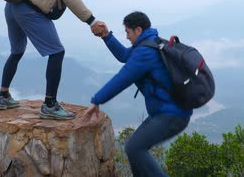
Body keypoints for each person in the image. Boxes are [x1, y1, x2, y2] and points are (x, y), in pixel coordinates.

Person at [0, 0, 104, 120]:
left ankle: (3, 96)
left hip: (12, 4)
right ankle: (50, 104)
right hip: (28, 10)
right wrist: (91, 21)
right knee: (57, 52)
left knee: (17, 51)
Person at [82, 11, 192, 176]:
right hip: (166, 112)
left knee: (135, 148)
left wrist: (97, 99)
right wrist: (107, 36)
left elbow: (123, 78)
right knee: (134, 149)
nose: (126, 36)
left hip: (172, 114)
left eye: (127, 31)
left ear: (138, 30)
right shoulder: (148, 43)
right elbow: (124, 55)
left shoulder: (145, 52)